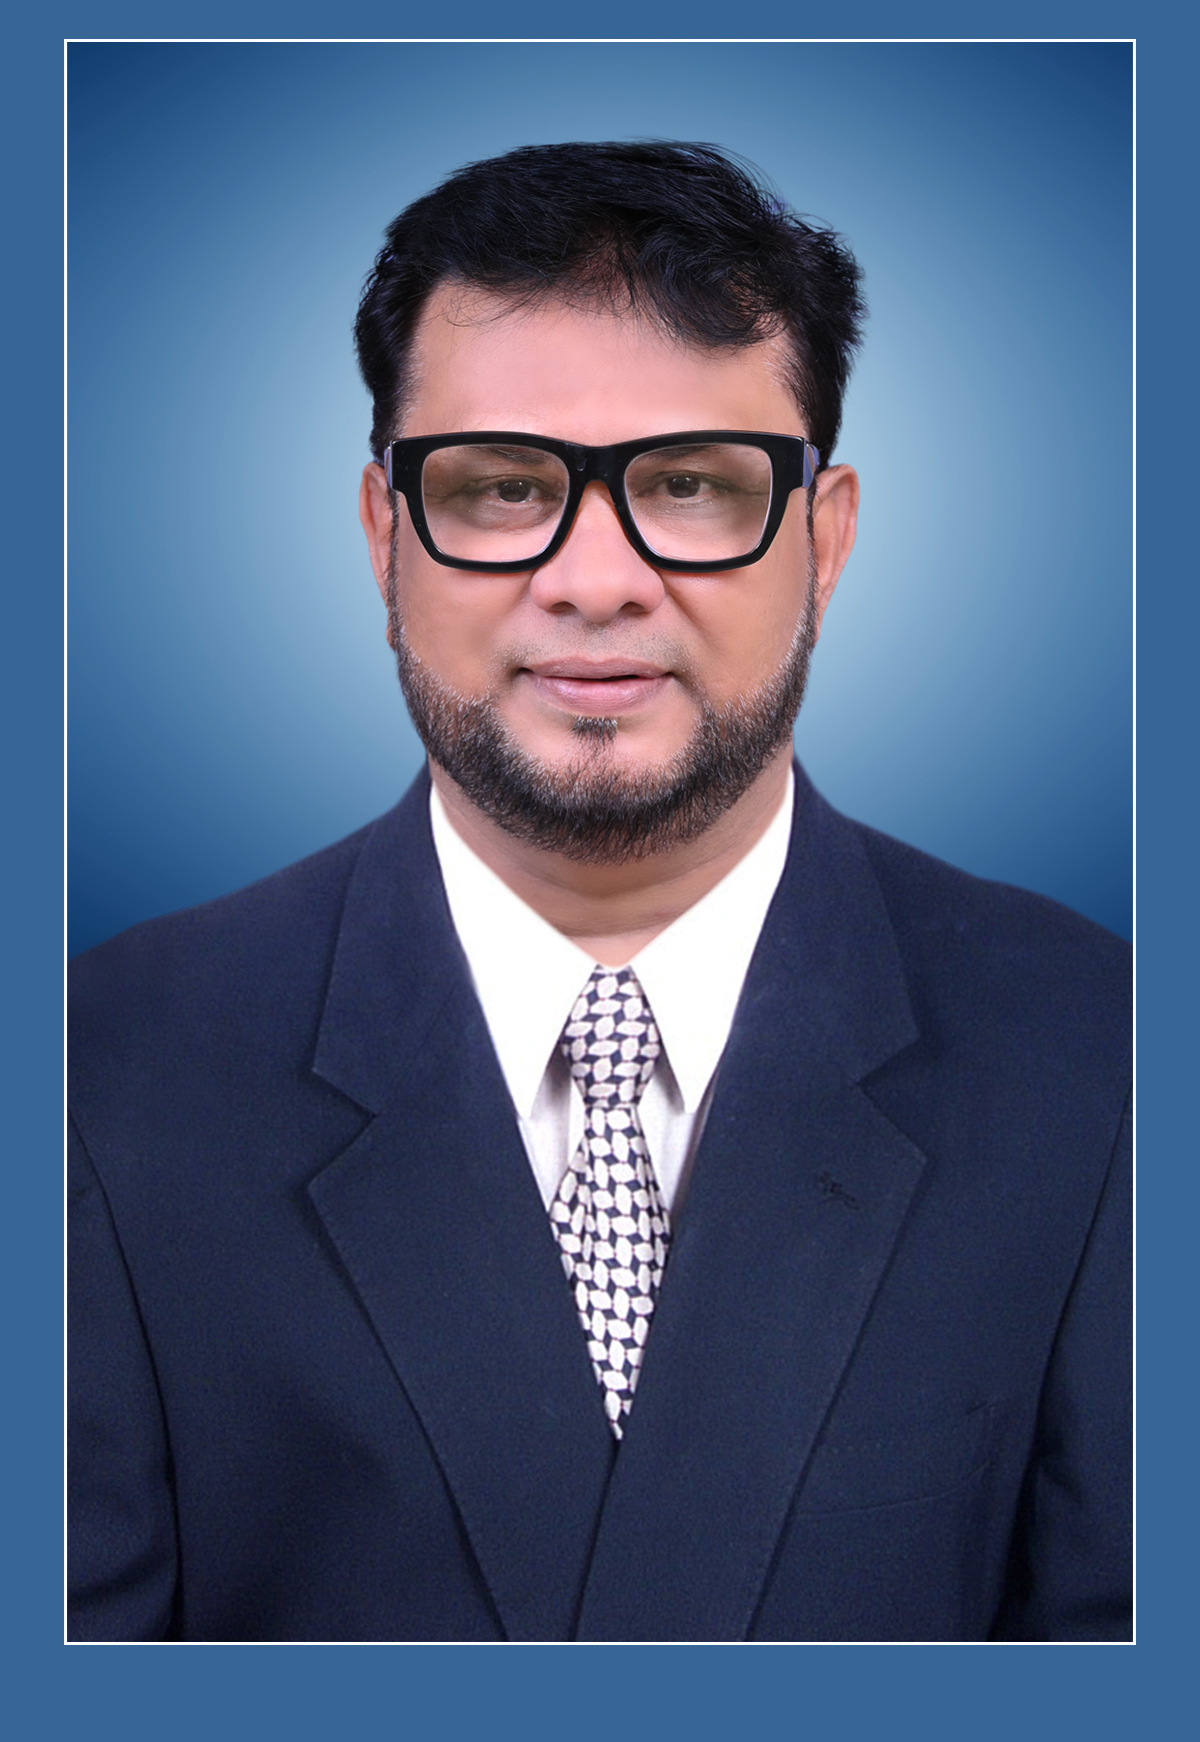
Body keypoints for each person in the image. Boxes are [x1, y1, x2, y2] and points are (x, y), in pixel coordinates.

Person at [68, 141, 1131, 1643]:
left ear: (826, 538)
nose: (594, 578)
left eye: (689, 486)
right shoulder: (95, 1068)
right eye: (504, 488)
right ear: (383, 535)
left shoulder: (1108, 1054)